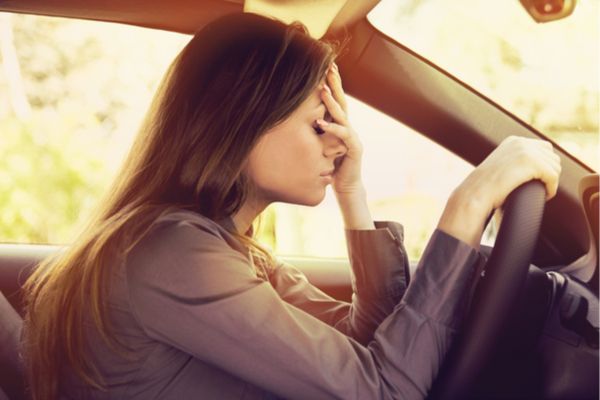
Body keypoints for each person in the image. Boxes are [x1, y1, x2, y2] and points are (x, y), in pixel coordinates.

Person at [22, 11, 561, 400]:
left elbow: (366, 345)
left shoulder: (221, 246)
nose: (340, 142)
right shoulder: (169, 254)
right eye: (317, 122)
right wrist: (467, 209)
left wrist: (353, 196)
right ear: (242, 122)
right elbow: (386, 389)